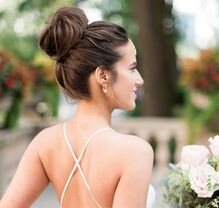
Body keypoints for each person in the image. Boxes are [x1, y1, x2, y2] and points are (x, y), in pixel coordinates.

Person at [0, 6, 155, 208]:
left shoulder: (44, 143)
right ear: (103, 76)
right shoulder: (135, 152)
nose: (140, 80)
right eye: (132, 68)